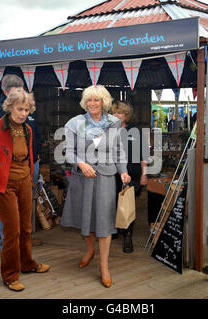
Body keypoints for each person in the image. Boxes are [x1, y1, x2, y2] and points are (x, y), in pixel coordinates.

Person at [0, 88, 50, 292]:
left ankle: (27, 264)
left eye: (27, 109)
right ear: (9, 107)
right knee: (11, 230)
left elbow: (28, 155)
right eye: (19, 108)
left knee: (27, 227)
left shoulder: (27, 129)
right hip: (3, 185)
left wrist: (28, 177)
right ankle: (9, 275)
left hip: (25, 181)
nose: (23, 113)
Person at [60, 85, 131, 288]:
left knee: (104, 221)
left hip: (107, 178)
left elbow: (119, 151)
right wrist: (81, 164)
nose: (92, 103)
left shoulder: (114, 123)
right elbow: (70, 152)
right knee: (86, 217)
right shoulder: (75, 123)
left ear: (104, 102)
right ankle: (90, 250)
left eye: (96, 100)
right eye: (89, 100)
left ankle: (104, 266)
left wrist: (123, 171)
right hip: (83, 178)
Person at [0, 74, 43, 247]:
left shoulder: (28, 112)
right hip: (8, 170)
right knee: (9, 211)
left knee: (25, 207)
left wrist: (36, 157)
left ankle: (24, 242)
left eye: (21, 91)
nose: (19, 97)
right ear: (5, 93)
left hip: (30, 166)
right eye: (14, 94)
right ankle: (9, 246)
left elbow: (36, 135)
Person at [110, 100, 148, 253]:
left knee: (128, 204)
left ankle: (127, 236)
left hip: (132, 174)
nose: (116, 115)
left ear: (126, 115)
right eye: (114, 112)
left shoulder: (136, 131)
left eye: (119, 112)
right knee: (112, 203)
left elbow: (144, 154)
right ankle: (114, 229)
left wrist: (144, 175)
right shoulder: (109, 130)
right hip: (112, 174)